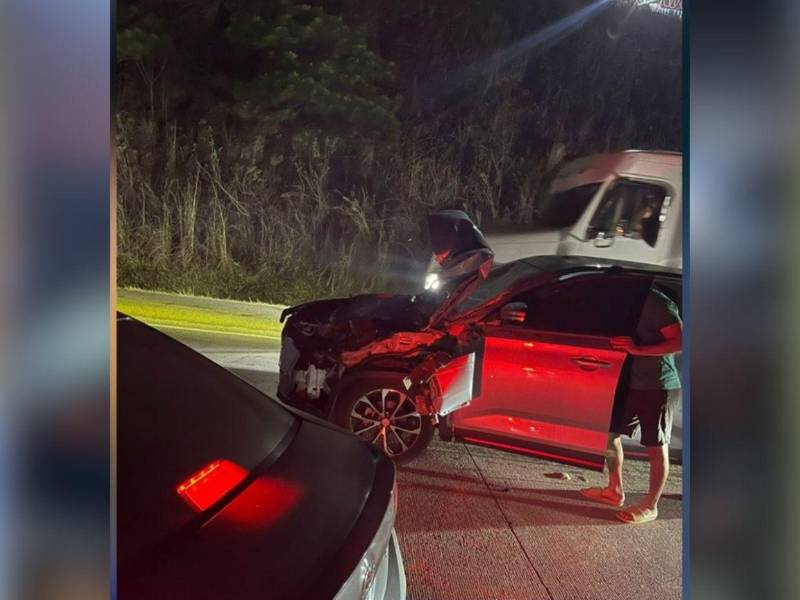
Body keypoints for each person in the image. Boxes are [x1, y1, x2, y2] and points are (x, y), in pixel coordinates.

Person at [580, 284, 682, 524]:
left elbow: (680, 342)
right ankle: (614, 490)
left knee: (656, 446)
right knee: (610, 434)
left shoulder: (657, 303)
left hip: (658, 386)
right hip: (628, 383)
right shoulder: (619, 303)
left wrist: (638, 349)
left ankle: (651, 506)